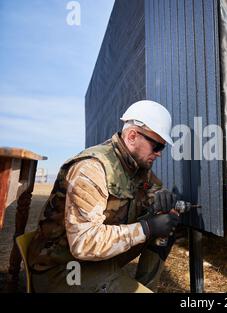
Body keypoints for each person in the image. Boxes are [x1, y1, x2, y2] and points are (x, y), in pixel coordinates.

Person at [28, 100, 180, 293]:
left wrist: (162, 199)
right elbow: (83, 243)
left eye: (162, 147)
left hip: (96, 260)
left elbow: (153, 189)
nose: (159, 154)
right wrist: (147, 228)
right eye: (157, 146)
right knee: (153, 228)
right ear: (132, 136)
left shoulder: (136, 165)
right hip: (62, 268)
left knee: (168, 226)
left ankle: (146, 287)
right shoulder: (91, 169)